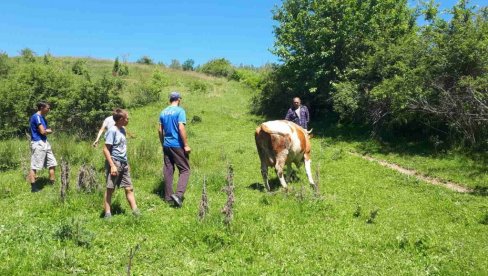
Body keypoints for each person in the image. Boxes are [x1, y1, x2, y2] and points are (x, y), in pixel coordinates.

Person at [102, 108, 139, 218]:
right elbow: (105, 149)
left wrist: (126, 163)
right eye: (127, 118)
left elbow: (122, 148)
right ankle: (107, 214)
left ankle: (136, 212)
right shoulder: (112, 131)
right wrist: (112, 166)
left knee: (129, 188)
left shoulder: (122, 129)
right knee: (110, 189)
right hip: (115, 162)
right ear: (121, 119)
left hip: (123, 163)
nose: (129, 120)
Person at [158, 91, 191, 208]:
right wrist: (186, 144)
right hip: (177, 145)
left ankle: (168, 197)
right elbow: (181, 127)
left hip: (166, 145)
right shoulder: (180, 111)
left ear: (170, 100)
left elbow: (159, 130)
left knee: (168, 170)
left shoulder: (163, 112)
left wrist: (163, 143)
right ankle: (178, 195)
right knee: (185, 170)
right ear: (179, 99)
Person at [28, 102, 58, 192]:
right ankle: (33, 187)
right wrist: (49, 131)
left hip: (45, 142)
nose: (49, 110)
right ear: (41, 107)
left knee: (52, 163)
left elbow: (44, 131)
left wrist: (47, 131)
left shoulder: (43, 118)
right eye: (48, 108)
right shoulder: (36, 117)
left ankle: (52, 183)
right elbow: (43, 132)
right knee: (35, 165)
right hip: (38, 143)